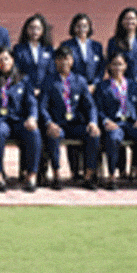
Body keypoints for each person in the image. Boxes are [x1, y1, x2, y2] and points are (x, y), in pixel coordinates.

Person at [38, 45, 100, 190]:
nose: (64, 62)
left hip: (76, 124)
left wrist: (93, 122)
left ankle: (89, 176)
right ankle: (57, 175)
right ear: (55, 61)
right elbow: (42, 107)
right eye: (60, 59)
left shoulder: (80, 80)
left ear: (72, 61)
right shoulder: (49, 81)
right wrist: (49, 123)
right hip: (58, 124)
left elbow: (90, 106)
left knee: (94, 134)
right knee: (53, 135)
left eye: (67, 59)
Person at [0, 46, 39, 193]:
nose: (3, 62)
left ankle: (31, 175)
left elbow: (31, 102)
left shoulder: (23, 79)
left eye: (6, 58)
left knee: (34, 132)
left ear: (12, 60)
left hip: (17, 120)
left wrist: (32, 118)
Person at [95, 52, 137, 190]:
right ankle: (112, 176)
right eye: (114, 64)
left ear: (126, 66)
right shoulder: (102, 86)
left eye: (120, 64)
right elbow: (97, 108)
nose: (117, 67)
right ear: (109, 66)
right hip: (114, 123)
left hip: (132, 123)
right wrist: (106, 121)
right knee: (113, 137)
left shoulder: (134, 85)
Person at [106, 7, 137, 84]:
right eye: (126, 19)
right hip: (120, 85)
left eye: (133, 19)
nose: (130, 21)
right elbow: (110, 64)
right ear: (121, 21)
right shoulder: (113, 42)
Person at [60, 13, 105, 93]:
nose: (81, 29)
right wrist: (77, 84)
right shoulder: (66, 45)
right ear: (73, 28)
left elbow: (101, 67)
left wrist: (94, 84)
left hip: (93, 89)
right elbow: (64, 66)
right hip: (73, 87)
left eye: (85, 26)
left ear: (89, 28)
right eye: (78, 26)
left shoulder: (97, 46)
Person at [14, 13, 55, 94]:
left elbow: (51, 72)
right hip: (25, 90)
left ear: (43, 30)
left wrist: (42, 89)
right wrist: (30, 88)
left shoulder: (48, 49)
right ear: (26, 29)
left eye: (38, 28)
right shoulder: (19, 49)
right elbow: (17, 71)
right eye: (31, 28)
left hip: (45, 91)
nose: (35, 31)